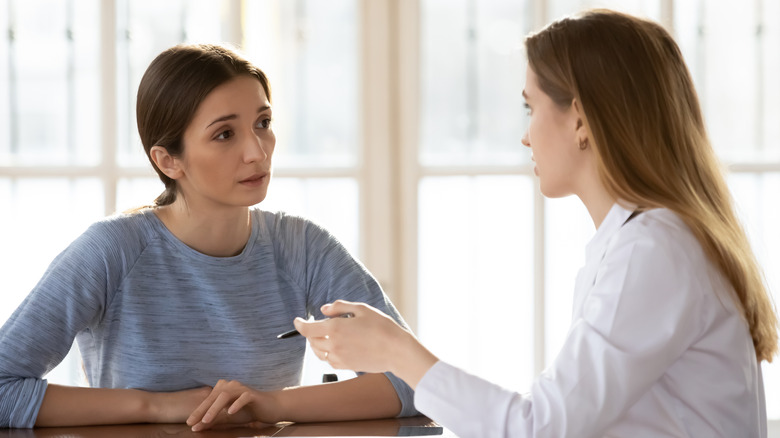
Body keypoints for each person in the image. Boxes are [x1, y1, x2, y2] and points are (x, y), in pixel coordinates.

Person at [292, 9, 779, 438]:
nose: (525, 137)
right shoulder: (645, 241)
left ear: (581, 119)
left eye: (531, 107)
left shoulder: (653, 250)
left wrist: (398, 353)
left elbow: (540, 428)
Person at [0, 43, 417, 430]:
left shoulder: (303, 247)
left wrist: (273, 404)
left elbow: (415, 381)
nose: (257, 151)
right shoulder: (111, 251)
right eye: (224, 134)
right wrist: (158, 406)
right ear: (168, 160)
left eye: (263, 123)